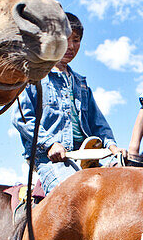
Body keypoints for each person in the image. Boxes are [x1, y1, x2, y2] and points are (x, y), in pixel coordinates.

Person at [12, 12, 120, 196]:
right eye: (65, 39)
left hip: (86, 155)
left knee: (119, 189)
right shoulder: (35, 77)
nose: (71, 46)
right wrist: (50, 144)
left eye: (76, 40)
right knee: (73, 195)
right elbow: (21, 117)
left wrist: (112, 146)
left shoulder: (80, 83)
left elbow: (98, 123)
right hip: (51, 158)